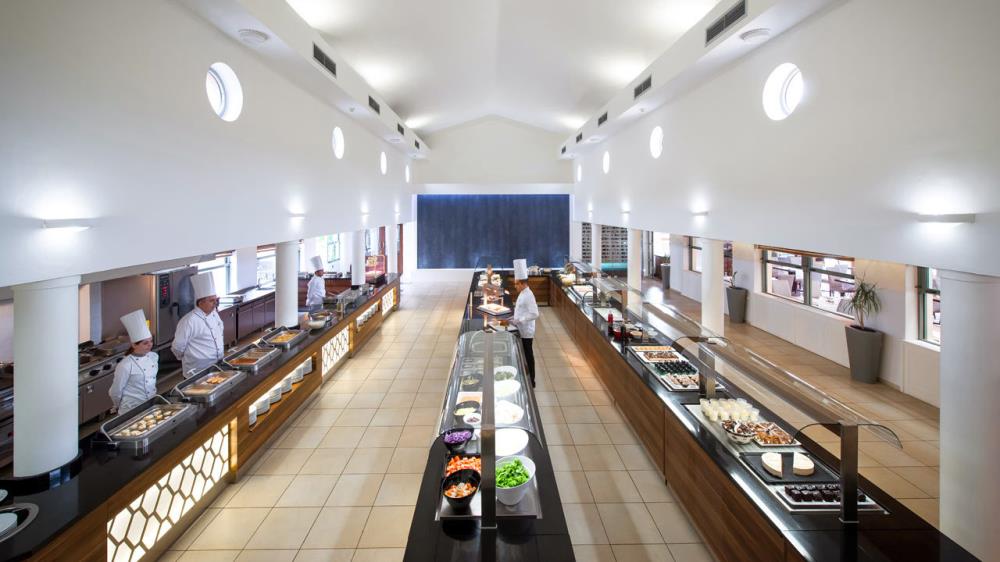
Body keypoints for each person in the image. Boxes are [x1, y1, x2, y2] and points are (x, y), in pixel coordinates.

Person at [171, 271, 224, 378]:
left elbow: (220, 332)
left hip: (217, 365)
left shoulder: (214, 314)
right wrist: (188, 358)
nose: (215, 303)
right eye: (211, 301)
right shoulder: (189, 321)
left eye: (216, 300)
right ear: (200, 303)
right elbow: (177, 347)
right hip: (197, 370)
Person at [109, 309, 158, 414]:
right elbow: (115, 391)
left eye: (151, 341)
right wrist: (118, 405)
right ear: (134, 345)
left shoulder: (153, 357)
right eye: (145, 343)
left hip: (151, 405)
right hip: (130, 409)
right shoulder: (125, 365)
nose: (150, 345)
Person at [503, 259, 538, 388]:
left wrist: (520, 320)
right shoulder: (522, 293)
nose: (515, 286)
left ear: (523, 283)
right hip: (520, 328)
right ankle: (525, 377)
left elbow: (535, 314)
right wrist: (513, 317)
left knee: (528, 355)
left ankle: (532, 381)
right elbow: (521, 310)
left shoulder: (529, 295)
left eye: (516, 284)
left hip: (526, 331)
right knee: (524, 354)